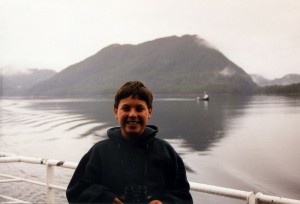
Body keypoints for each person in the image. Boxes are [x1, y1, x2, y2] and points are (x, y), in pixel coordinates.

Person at [66, 81, 193, 204]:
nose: (132, 114)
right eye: (126, 108)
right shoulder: (100, 151)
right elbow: (76, 191)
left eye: (139, 109)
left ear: (149, 111)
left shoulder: (165, 151)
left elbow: (183, 195)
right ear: (116, 111)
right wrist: (105, 198)